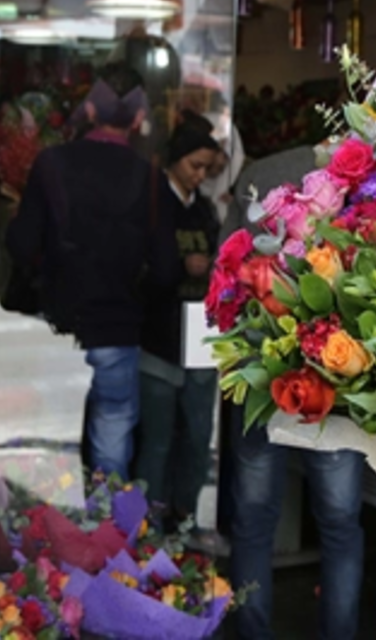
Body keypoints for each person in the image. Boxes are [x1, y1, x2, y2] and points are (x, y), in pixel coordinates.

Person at [227, 144, 367, 640]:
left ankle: (251, 632)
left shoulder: (260, 174)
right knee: (339, 526)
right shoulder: (367, 186)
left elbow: (226, 277)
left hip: (263, 376)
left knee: (252, 522)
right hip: (333, 380)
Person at [6, 70, 168, 479]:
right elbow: (165, 267)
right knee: (111, 450)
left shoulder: (51, 164)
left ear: (90, 109)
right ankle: (106, 535)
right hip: (116, 327)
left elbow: (22, 246)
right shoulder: (148, 177)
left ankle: (49, 536)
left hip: (58, 325)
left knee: (51, 449)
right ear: (137, 119)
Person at [135, 123, 221, 534]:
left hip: (200, 336)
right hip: (159, 336)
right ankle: (147, 518)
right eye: (195, 165)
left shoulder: (204, 210)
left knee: (198, 434)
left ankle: (183, 513)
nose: (200, 175)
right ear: (175, 161)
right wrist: (179, 268)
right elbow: (138, 270)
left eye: (206, 168)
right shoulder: (151, 206)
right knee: (157, 439)